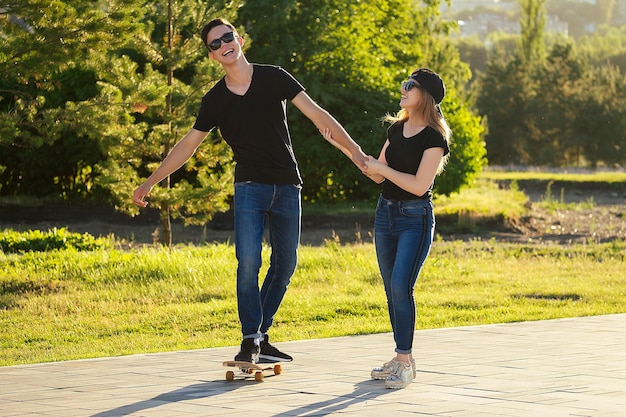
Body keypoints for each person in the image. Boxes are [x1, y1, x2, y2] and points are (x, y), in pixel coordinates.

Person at [133, 18, 367, 364]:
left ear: (239, 39)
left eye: (228, 37)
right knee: (249, 263)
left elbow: (319, 116)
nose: (224, 44)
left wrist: (357, 154)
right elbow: (187, 146)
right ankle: (249, 340)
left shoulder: (274, 77)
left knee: (285, 264)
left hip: (288, 183)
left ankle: (260, 334)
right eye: (215, 43)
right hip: (249, 188)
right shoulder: (214, 100)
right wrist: (150, 181)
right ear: (211, 55)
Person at [322, 68, 450, 389]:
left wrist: (382, 167)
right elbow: (376, 173)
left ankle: (405, 363)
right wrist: (343, 147)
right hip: (386, 215)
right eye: (404, 84)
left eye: (410, 86)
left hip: (415, 218)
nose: (403, 89)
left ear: (426, 95)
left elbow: (420, 186)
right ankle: (400, 356)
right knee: (391, 289)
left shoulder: (434, 139)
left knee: (400, 286)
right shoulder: (396, 129)